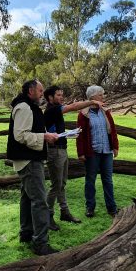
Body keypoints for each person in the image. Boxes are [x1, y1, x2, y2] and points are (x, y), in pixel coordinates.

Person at [7, 80, 60, 256]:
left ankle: (26, 234)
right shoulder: (24, 107)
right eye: (40, 90)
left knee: (27, 199)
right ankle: (41, 244)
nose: (42, 93)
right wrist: (44, 137)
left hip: (29, 159)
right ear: (31, 91)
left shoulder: (27, 105)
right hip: (29, 161)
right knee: (39, 201)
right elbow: (20, 135)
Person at [43, 85, 104, 229]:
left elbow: (55, 131)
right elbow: (74, 106)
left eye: (61, 94)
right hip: (54, 152)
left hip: (61, 150)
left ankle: (64, 212)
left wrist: (69, 133)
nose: (61, 97)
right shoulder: (52, 109)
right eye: (58, 95)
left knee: (62, 184)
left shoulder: (55, 111)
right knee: (55, 185)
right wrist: (92, 102)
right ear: (50, 98)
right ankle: (48, 215)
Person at [76, 85, 119, 218]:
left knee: (108, 180)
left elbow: (112, 130)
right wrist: (81, 153)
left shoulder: (105, 112)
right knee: (90, 180)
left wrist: (115, 146)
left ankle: (112, 208)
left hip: (106, 151)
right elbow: (80, 135)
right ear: (93, 97)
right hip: (92, 152)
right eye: (100, 95)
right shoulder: (83, 114)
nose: (102, 97)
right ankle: (90, 208)